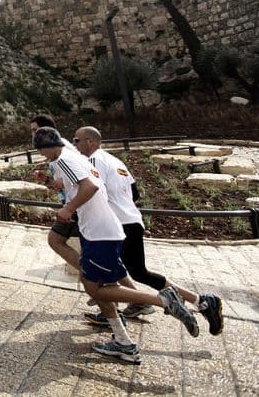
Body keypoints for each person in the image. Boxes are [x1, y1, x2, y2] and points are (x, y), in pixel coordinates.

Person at [33, 127, 202, 364]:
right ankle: (124, 342)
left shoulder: (65, 158)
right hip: (103, 230)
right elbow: (75, 185)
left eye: (40, 150)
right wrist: (52, 184)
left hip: (98, 232)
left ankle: (163, 300)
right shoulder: (75, 158)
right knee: (96, 284)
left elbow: (90, 187)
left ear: (47, 146)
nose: (41, 155)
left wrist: (69, 209)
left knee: (94, 288)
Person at [74, 126, 224, 333]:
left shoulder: (92, 161)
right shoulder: (116, 161)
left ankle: (123, 315)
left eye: (77, 140)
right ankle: (202, 301)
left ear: (90, 142)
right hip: (132, 221)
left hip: (116, 226)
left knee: (99, 274)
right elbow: (134, 193)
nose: (75, 145)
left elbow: (93, 191)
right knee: (139, 272)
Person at [29, 114, 82, 271]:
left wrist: (70, 208)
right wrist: (46, 180)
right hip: (71, 203)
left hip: (76, 205)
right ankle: (93, 278)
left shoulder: (64, 152)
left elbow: (85, 182)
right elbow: (61, 184)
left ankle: (93, 276)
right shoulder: (57, 151)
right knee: (57, 240)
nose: (33, 134)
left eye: (35, 130)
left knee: (55, 239)